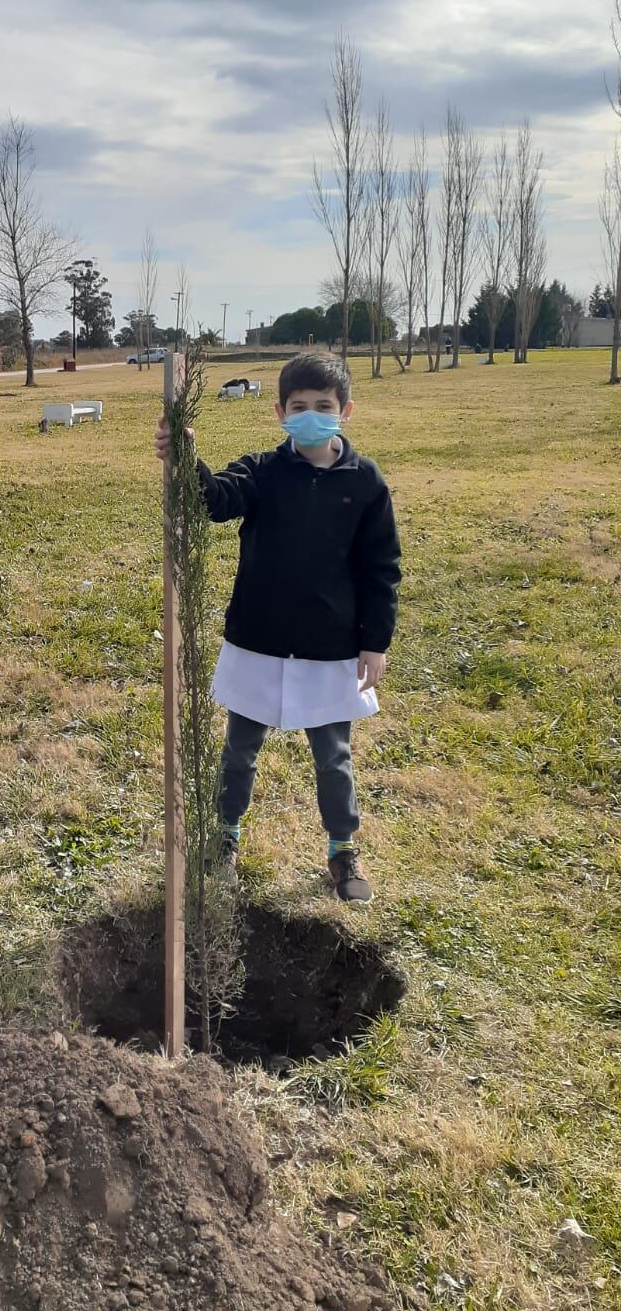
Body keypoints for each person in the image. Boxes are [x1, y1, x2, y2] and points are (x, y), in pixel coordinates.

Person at [154, 353, 400, 904]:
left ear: (346, 410)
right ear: (280, 412)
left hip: (329, 648)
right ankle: (225, 840)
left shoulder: (364, 483)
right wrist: (185, 458)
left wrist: (374, 640)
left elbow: (381, 566)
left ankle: (342, 850)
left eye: (323, 407)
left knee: (333, 755)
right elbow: (214, 501)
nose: (311, 415)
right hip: (259, 641)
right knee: (239, 750)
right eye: (299, 407)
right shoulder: (263, 471)